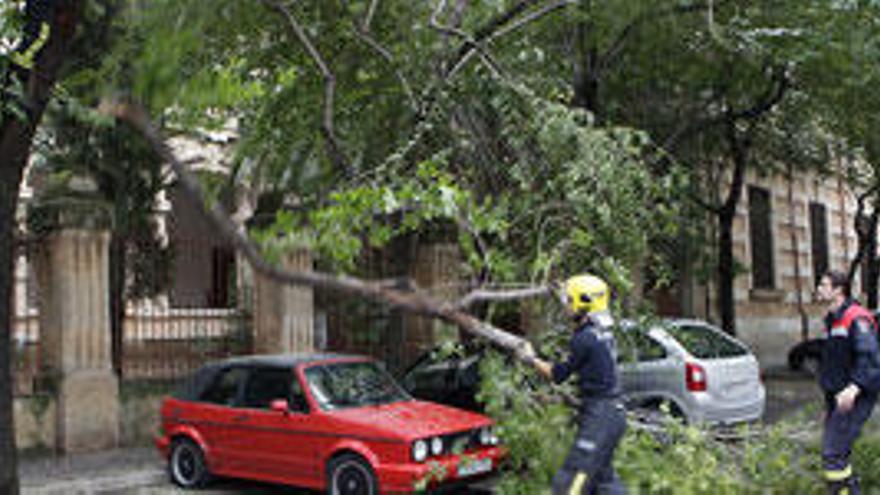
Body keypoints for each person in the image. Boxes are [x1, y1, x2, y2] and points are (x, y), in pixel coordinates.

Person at [519, 274, 627, 495]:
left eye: (569, 301)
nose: (565, 306)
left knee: (570, 484)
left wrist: (530, 359)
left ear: (583, 303)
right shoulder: (604, 333)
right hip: (614, 415)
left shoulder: (584, 339)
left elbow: (557, 374)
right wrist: (565, 289)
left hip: (600, 417)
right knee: (604, 483)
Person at [816, 270, 880, 495]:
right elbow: (833, 367)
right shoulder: (832, 319)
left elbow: (870, 359)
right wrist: (828, 406)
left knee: (833, 453)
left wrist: (853, 389)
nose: (819, 289)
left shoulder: (856, 317)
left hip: (855, 395)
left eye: (824, 285)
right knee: (838, 454)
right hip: (838, 397)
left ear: (838, 290)